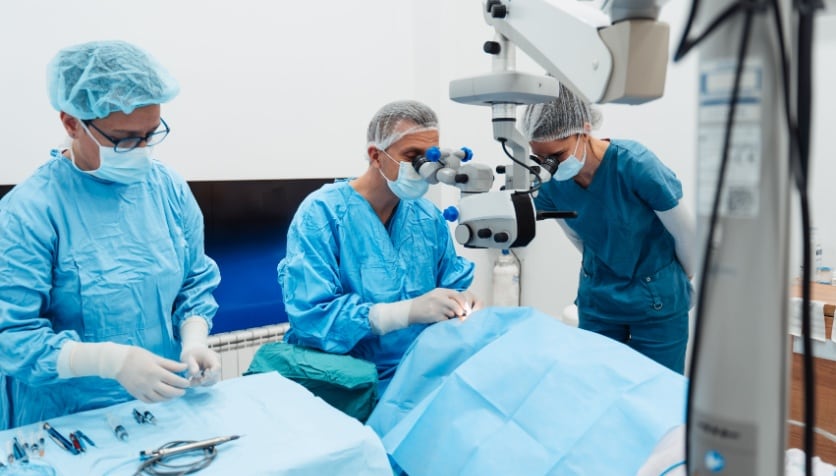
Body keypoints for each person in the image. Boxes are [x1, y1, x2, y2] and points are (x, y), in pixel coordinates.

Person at [0, 41, 222, 429]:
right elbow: (12, 335)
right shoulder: (30, 212)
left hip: (163, 404)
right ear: (71, 123)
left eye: (150, 134)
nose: (140, 149)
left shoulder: (167, 188)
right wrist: (109, 361)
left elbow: (194, 281)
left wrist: (194, 338)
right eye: (123, 138)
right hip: (67, 419)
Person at [277, 100, 481, 391]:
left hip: (415, 376)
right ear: (376, 155)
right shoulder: (322, 213)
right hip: (342, 383)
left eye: (431, 157)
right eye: (413, 156)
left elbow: (451, 282)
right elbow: (313, 317)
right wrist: (406, 312)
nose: (426, 169)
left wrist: (462, 302)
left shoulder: (426, 216)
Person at [521, 83, 696, 374]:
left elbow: (686, 235)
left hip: (656, 301)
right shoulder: (549, 182)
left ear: (584, 130)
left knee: (657, 396)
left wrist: (672, 282)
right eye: (540, 159)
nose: (548, 167)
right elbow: (578, 237)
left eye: (557, 156)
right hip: (598, 298)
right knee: (597, 389)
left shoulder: (636, 165)